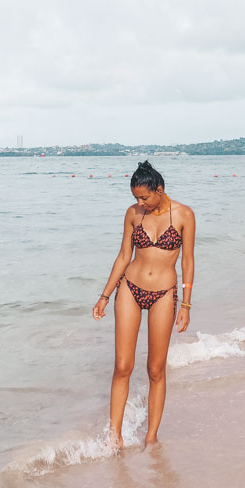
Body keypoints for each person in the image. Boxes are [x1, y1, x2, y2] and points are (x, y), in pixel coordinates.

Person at [92, 161, 196, 448]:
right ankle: (115, 437)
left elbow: (187, 261)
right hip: (130, 288)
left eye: (144, 197)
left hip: (164, 293)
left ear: (159, 190)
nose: (140, 203)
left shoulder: (185, 215)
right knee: (123, 365)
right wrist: (104, 295)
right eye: (136, 198)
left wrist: (186, 305)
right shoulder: (133, 215)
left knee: (155, 369)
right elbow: (124, 256)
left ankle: (151, 437)